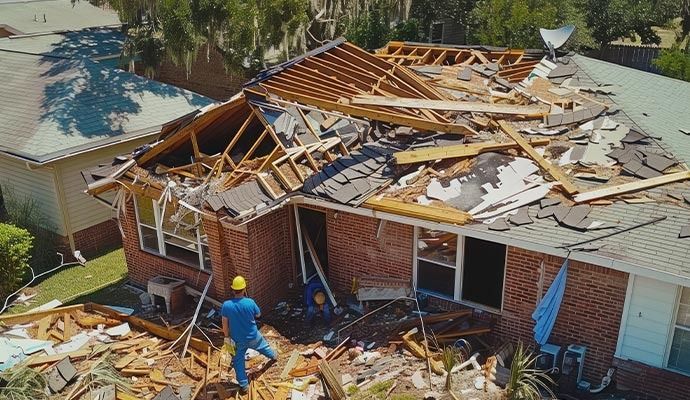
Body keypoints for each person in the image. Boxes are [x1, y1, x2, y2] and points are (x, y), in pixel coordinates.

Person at [221, 275, 277, 393]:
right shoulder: (250, 302)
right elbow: (258, 315)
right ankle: (273, 356)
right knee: (264, 347)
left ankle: (244, 385)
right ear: (244, 289)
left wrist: (226, 337)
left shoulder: (226, 305)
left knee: (238, 361)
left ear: (233, 290)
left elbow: (225, 325)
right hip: (253, 336)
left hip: (238, 340)